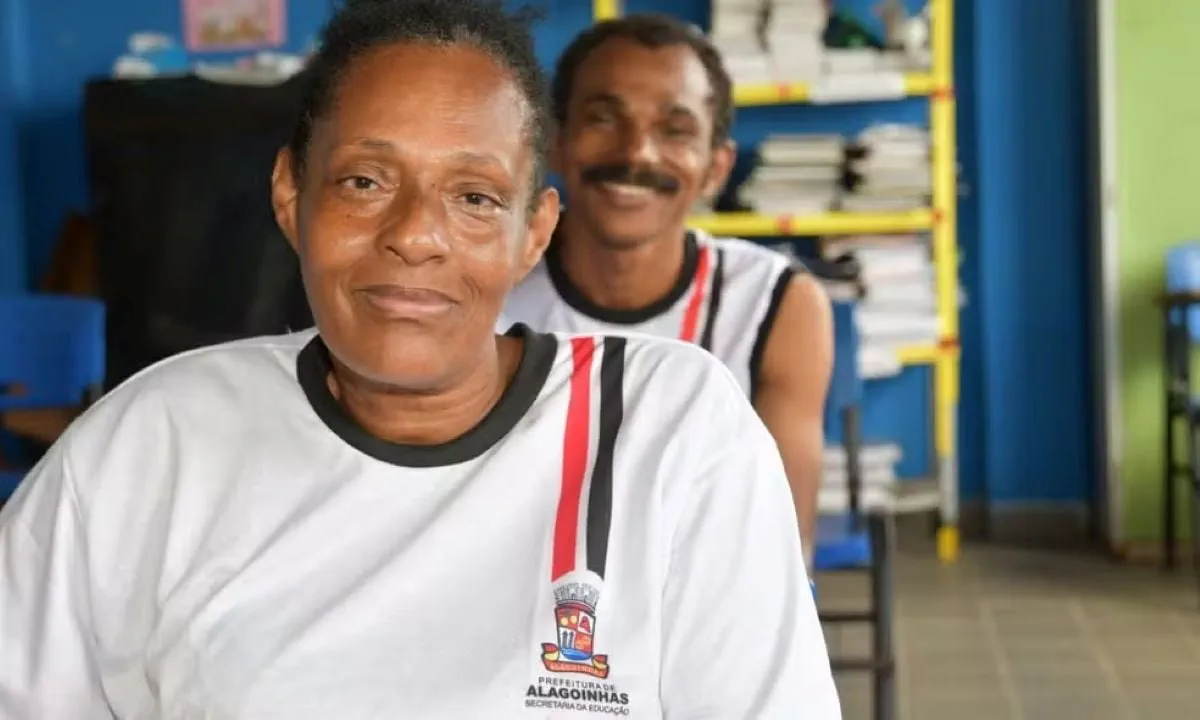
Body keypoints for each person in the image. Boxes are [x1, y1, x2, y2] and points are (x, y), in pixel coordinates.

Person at [0, 1, 840, 718]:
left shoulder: (673, 429)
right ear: (291, 196)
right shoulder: (150, 443)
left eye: (474, 197)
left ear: (533, 232)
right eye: (365, 181)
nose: (415, 235)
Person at [502, 14, 833, 567]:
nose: (638, 153)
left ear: (716, 168)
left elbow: (782, 548)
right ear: (555, 142)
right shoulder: (490, 285)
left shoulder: (775, 303)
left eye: (675, 129)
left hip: (699, 598)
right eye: (604, 118)